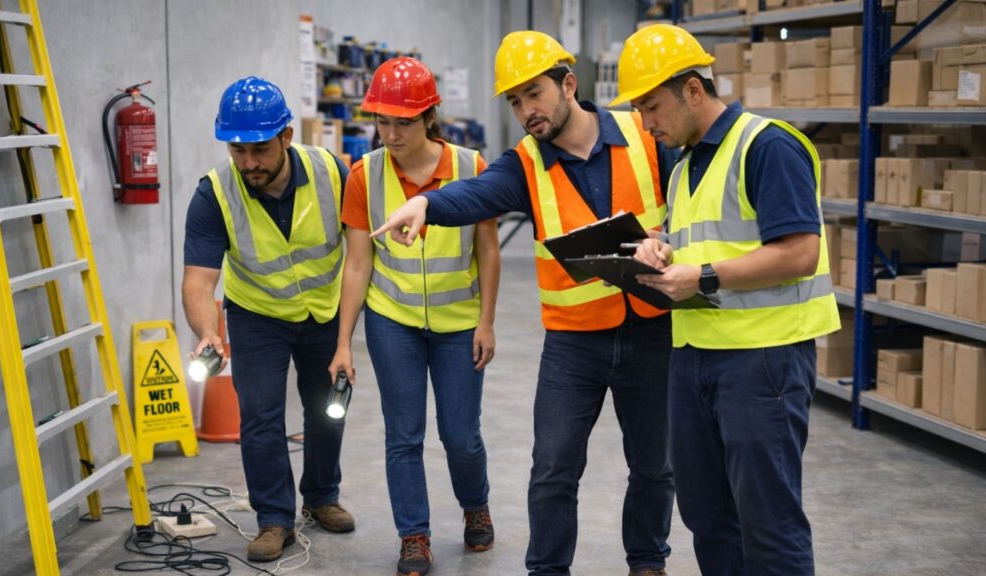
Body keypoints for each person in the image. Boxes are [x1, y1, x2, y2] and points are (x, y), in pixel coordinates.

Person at [371, 31, 677, 576]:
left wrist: (671, 237)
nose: (525, 111)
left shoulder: (645, 134)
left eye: (533, 94)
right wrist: (426, 205)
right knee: (553, 469)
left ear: (568, 84)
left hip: (651, 329)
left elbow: (692, 203)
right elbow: (476, 193)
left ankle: (648, 563)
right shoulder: (525, 164)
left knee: (654, 466)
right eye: (514, 101)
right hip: (574, 341)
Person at [612, 24, 841, 576]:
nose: (645, 123)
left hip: (763, 360)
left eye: (652, 106)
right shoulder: (686, 163)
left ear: (693, 89)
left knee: (767, 520)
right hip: (694, 356)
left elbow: (799, 253)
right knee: (706, 513)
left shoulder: (768, 146)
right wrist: (658, 248)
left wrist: (705, 277)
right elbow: (703, 240)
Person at [328, 56, 500, 576]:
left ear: (430, 116)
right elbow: (357, 265)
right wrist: (343, 344)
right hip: (392, 321)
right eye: (382, 121)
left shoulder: (471, 169)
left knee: (460, 436)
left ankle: (476, 505)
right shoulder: (364, 176)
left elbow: (488, 251)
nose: (391, 133)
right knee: (402, 435)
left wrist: (487, 321)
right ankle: (414, 536)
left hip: (459, 323)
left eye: (403, 121)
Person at [182, 76, 356, 563]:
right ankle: (273, 518)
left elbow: (359, 251)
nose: (249, 163)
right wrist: (207, 332)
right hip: (257, 314)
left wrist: (348, 331)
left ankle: (321, 497)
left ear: (286, 137)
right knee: (260, 416)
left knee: (327, 407)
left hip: (323, 310)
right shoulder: (214, 194)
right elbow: (198, 281)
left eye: (259, 149)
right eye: (238, 150)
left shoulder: (331, 172)